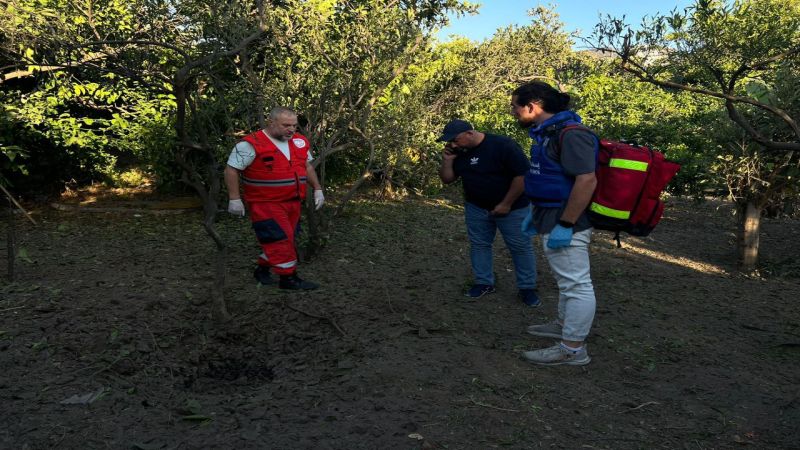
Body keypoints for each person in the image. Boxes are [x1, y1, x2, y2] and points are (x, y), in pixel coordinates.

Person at [510, 81, 598, 366]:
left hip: (567, 220)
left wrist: (566, 223)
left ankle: (573, 350)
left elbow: (587, 180)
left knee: (577, 285)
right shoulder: (547, 133)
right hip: (550, 215)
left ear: (532, 106)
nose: (513, 112)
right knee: (566, 280)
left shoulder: (572, 135)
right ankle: (564, 326)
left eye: (515, 107)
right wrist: (535, 214)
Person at [437, 119, 539, 306]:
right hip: (476, 207)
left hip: (513, 208)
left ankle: (527, 288)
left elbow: (523, 176)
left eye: (455, 140)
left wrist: (506, 204)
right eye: (450, 141)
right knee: (479, 245)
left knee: (520, 247)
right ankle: (483, 282)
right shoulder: (458, 152)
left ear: (469, 133)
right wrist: (447, 161)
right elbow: (447, 179)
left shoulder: (502, 145)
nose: (452, 144)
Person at [224, 107, 324, 290]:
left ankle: (261, 270)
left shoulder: (300, 142)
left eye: (294, 125)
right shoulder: (251, 144)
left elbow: (307, 167)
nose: (291, 130)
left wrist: (317, 188)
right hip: (266, 204)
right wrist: (234, 198)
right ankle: (288, 279)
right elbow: (231, 169)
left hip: (293, 201)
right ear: (271, 122)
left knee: (284, 238)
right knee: (281, 239)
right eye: (286, 125)